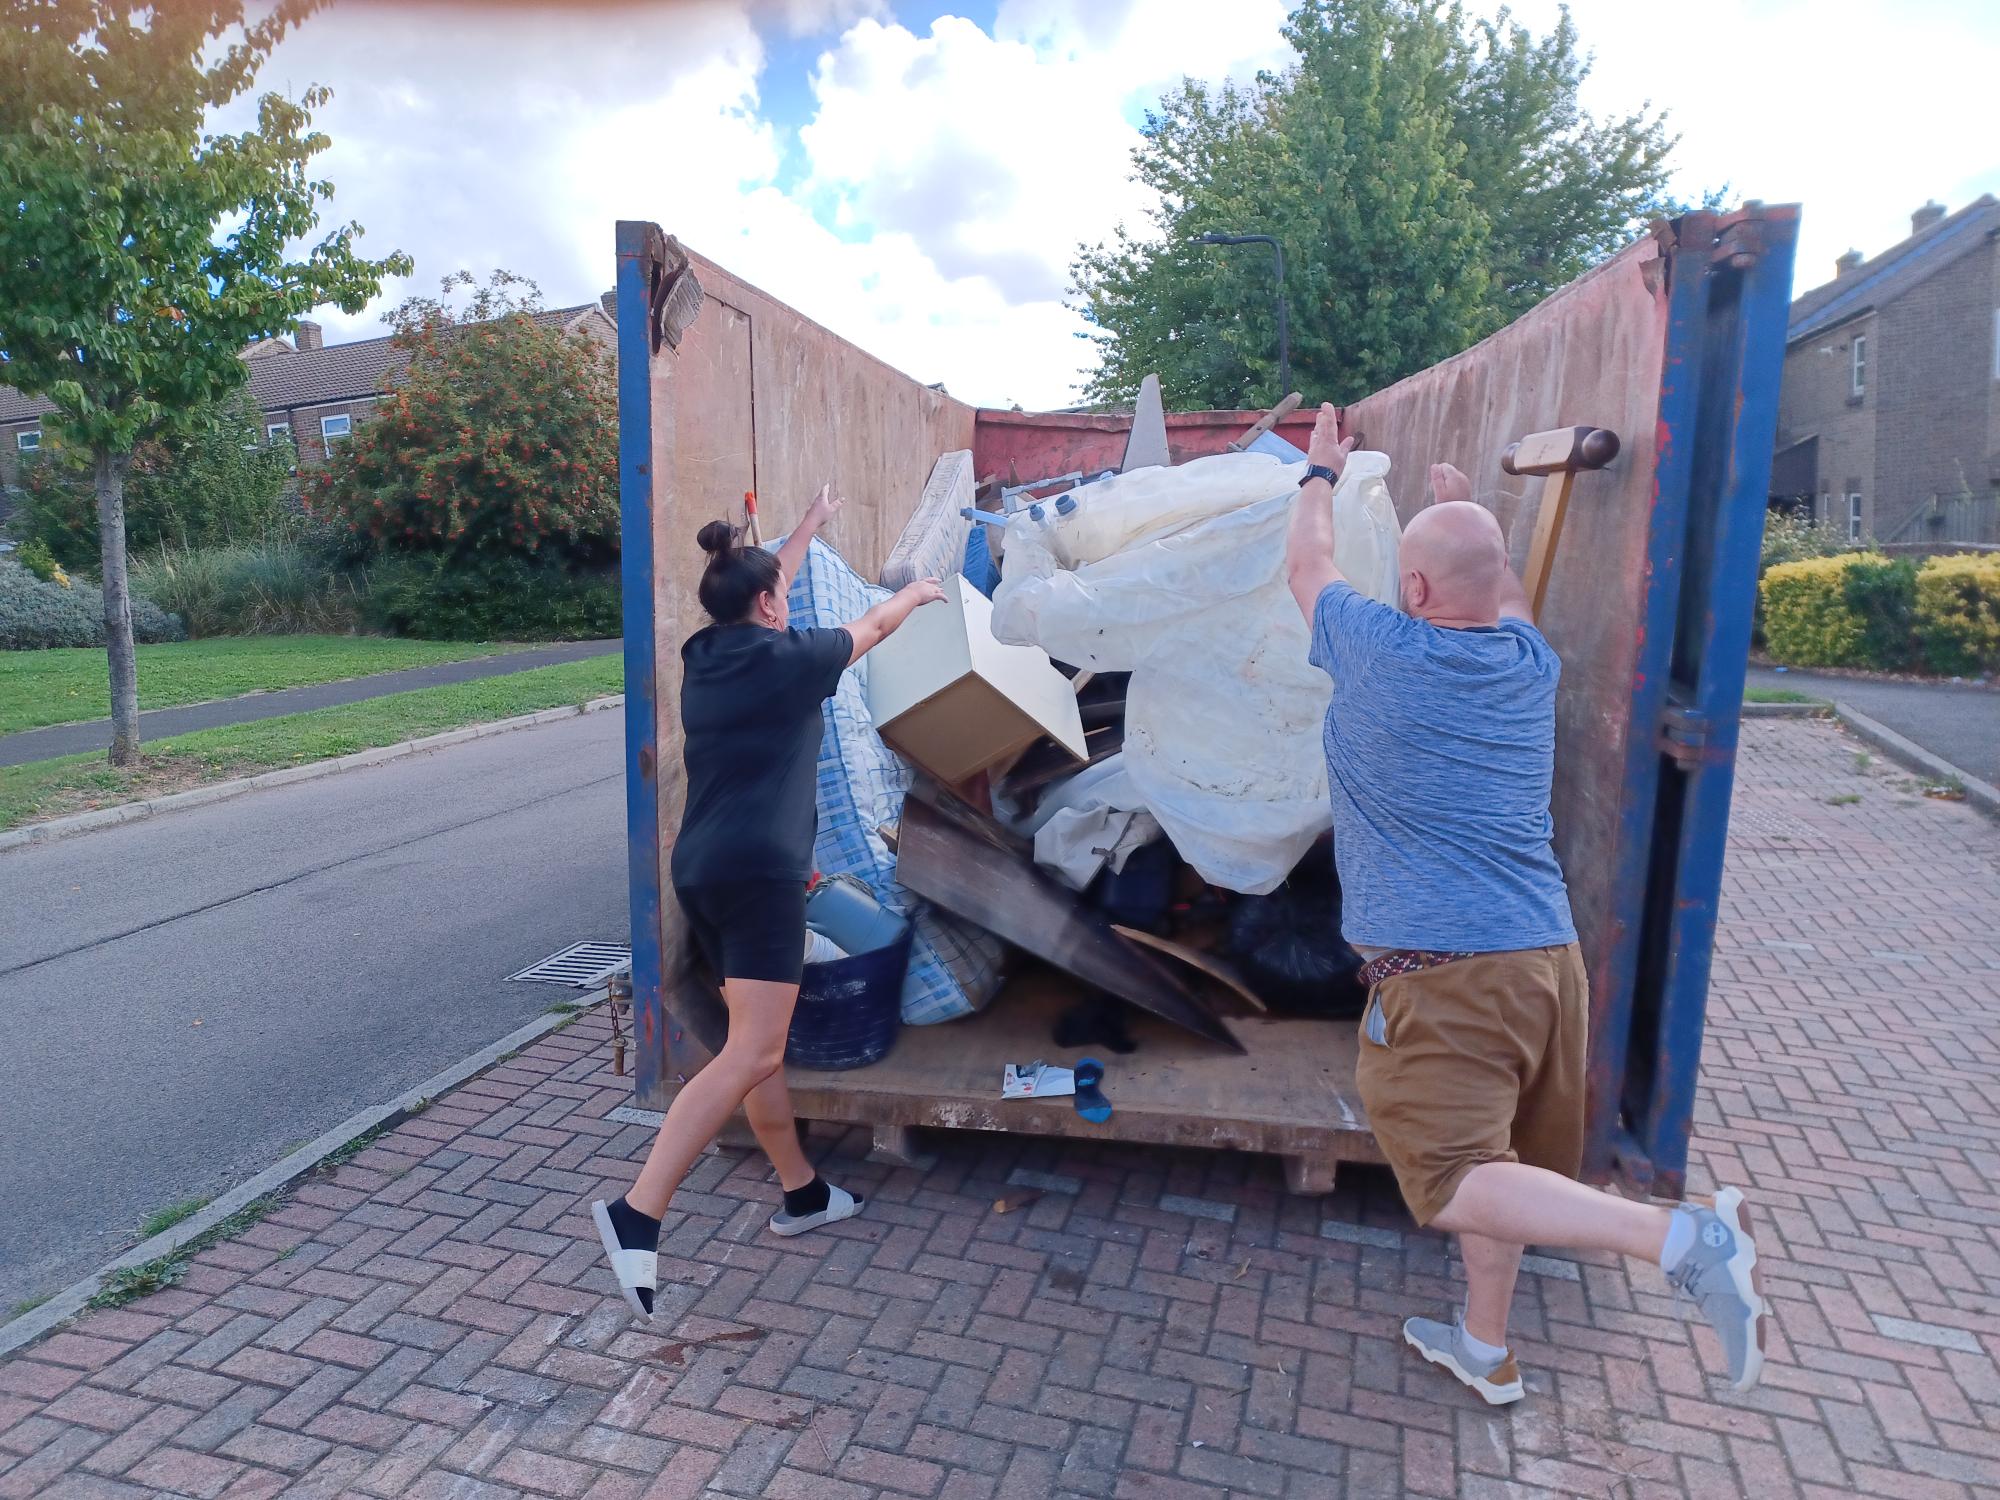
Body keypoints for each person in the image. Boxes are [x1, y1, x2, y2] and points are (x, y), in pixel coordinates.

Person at [1285, 404, 1769, 1403]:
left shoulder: (1376, 648)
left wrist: (1317, 474)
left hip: (1443, 978)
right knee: (1494, 1162)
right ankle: (1482, 1343)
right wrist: (1461, 512)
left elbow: (1305, 567)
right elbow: (1500, 591)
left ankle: (1678, 1237)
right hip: (1543, 967)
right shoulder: (1524, 664)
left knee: (1458, 1172)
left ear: (1411, 588)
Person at [593, 486, 943, 1319]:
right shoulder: (795, 661)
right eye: (782, 590)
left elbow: (758, 586)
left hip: (705, 872)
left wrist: (811, 526)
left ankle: (804, 1193)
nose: (788, 598)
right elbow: (878, 627)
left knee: (760, 1045)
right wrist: (921, 592)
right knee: (750, 1054)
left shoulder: (702, 654)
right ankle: (636, 1213)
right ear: (768, 605)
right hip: (761, 877)